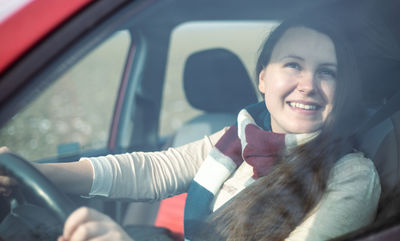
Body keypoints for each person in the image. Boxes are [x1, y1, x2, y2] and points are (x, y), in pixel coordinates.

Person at [0, 14, 381, 241]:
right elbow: (154, 170)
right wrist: (35, 172)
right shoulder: (241, 137)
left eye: (327, 72)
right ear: (263, 78)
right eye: (293, 65)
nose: (309, 85)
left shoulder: (351, 176)